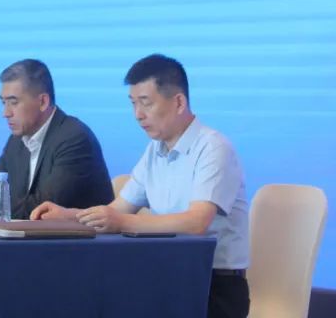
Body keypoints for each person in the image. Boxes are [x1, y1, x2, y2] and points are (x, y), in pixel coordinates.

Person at [31, 54, 250, 318]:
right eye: (133, 104)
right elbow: (118, 210)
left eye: (146, 103)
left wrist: (122, 223)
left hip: (214, 287)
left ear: (179, 102)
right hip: (166, 277)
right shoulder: (155, 151)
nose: (138, 114)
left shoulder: (213, 148)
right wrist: (69, 216)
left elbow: (196, 223)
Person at [0, 58, 113, 218]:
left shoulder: (74, 138)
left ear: (43, 102)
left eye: (13, 102)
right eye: (3, 103)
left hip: (82, 244)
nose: (5, 113)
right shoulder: (17, 140)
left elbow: (43, 207)